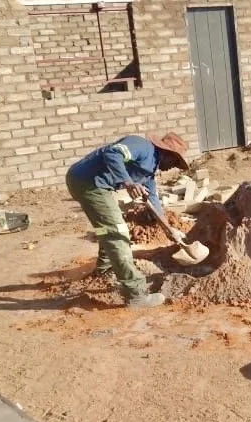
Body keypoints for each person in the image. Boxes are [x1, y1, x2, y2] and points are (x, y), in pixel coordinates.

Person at [66, 131, 190, 308]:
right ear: (166, 153)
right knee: (118, 232)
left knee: (107, 229)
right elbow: (112, 153)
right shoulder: (142, 146)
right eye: (175, 161)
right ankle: (136, 295)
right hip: (89, 183)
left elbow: (153, 200)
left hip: (90, 183)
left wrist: (169, 230)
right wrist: (128, 182)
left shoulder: (149, 173)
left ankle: (104, 268)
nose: (174, 167)